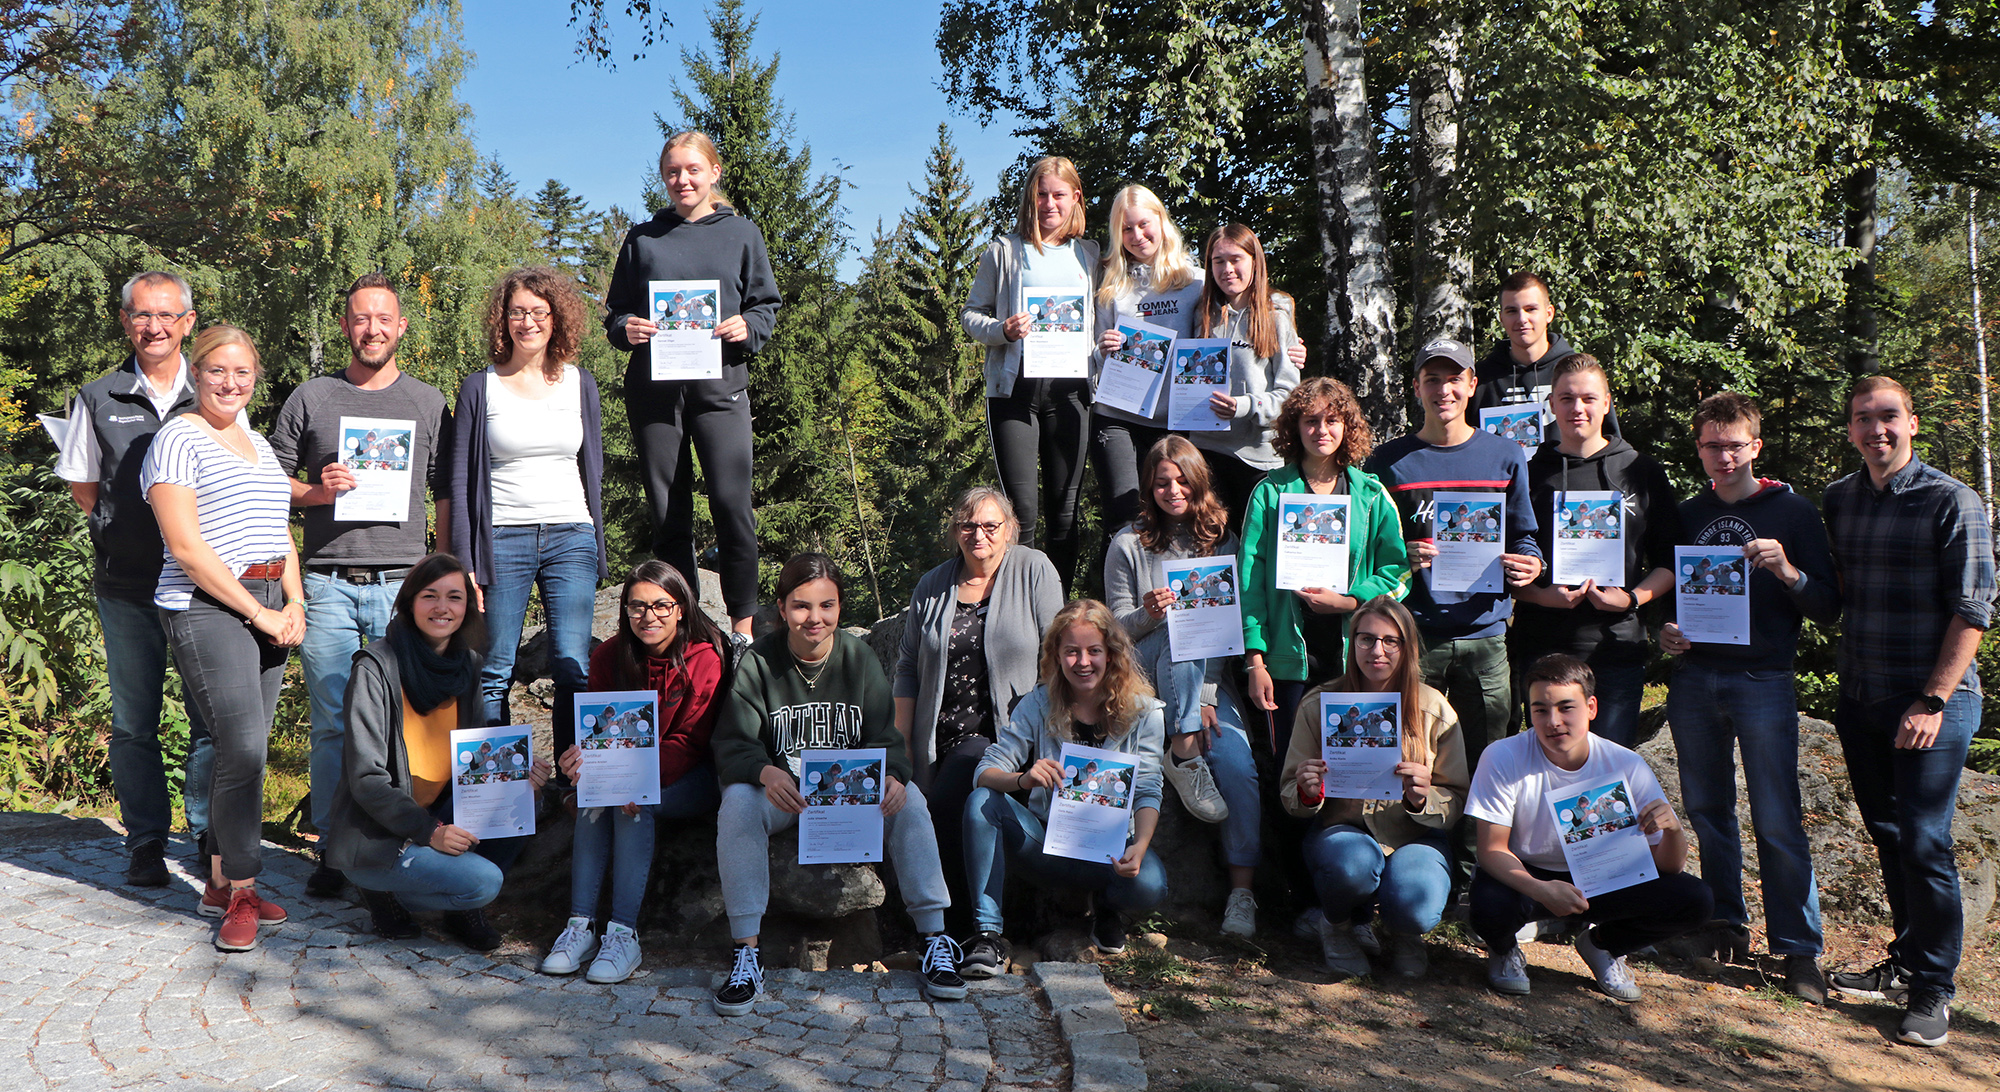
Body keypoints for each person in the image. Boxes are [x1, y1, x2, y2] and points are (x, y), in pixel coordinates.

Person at [709, 554, 966, 1015]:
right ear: (783, 609)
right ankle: (746, 953)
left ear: (840, 608)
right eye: (802, 606)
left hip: (849, 795)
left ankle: (934, 939)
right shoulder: (759, 663)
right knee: (738, 805)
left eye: (826, 606)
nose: (815, 618)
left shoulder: (858, 658)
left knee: (911, 803)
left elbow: (887, 739)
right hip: (786, 794)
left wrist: (892, 776)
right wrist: (765, 772)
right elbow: (733, 743)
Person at [1821, 375, 1996, 1047]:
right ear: (1850, 431)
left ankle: (1934, 990)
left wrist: (1933, 698)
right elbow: (1834, 595)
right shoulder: (1839, 499)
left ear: (1913, 423)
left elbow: (1973, 609)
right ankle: (1905, 961)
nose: (1877, 429)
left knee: (1925, 843)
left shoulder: (1953, 501)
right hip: (1862, 699)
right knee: (1891, 838)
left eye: (1888, 416)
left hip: (1931, 703)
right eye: (1863, 419)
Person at [268, 272, 452, 898]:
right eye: (360, 318)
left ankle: (392, 841)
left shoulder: (429, 403)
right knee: (331, 723)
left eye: (384, 319)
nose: (372, 329)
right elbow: (269, 481)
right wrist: (317, 492)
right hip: (326, 583)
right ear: (345, 326)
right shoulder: (311, 397)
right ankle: (332, 848)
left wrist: (446, 574)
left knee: (400, 723)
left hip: (404, 585)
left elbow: (445, 492)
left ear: (402, 327)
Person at [1656, 391, 1836, 1003]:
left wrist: (1786, 570)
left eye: (1735, 445)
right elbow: (1668, 596)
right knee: (1708, 809)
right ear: (1699, 448)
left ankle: (1799, 949)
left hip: (1764, 678)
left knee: (1779, 815)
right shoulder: (1685, 513)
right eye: (1712, 445)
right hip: (1696, 676)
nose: (1724, 456)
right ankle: (1725, 924)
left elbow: (1827, 605)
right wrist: (1668, 632)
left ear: (1755, 447)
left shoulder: (1793, 512)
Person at [141, 325, 304, 952]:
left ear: (255, 377)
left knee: (248, 750)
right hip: (207, 604)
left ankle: (216, 879)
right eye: (217, 371)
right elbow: (185, 547)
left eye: (243, 373)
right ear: (196, 375)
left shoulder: (258, 443)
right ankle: (240, 887)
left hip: (268, 600)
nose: (231, 383)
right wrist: (258, 615)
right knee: (242, 747)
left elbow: (279, 528)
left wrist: (292, 600)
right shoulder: (178, 438)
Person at [55, 270, 215, 887]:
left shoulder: (212, 391)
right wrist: (120, 528)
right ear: (125, 322)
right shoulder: (95, 397)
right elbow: (85, 490)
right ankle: (147, 840)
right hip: (127, 587)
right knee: (134, 723)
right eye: (143, 315)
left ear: (188, 323)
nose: (155, 327)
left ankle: (206, 834)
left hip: (202, 586)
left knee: (210, 720)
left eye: (168, 315)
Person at [323, 552, 554, 951]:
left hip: (439, 811)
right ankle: (385, 890)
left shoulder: (468, 665)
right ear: (410, 601)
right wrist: (430, 833)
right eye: (430, 596)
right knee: (485, 882)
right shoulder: (375, 667)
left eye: (455, 597)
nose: (442, 608)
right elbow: (367, 779)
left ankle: (457, 908)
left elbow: (474, 761)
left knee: (523, 800)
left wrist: (517, 775)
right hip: (380, 831)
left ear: (468, 607)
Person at [602, 131, 781, 641]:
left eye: (692, 170)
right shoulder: (642, 239)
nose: (683, 180)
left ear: (714, 173)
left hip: (721, 389)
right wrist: (627, 328)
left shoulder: (741, 233)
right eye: (673, 172)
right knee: (669, 513)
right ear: (664, 178)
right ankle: (689, 628)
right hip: (655, 395)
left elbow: (765, 304)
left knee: (731, 504)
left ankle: (742, 627)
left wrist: (749, 327)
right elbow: (615, 313)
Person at [1467, 654, 1712, 1001]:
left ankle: (1603, 945)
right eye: (1540, 710)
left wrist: (1673, 831)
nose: (1553, 722)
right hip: (1527, 872)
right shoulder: (1503, 756)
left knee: (1695, 899)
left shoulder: (1626, 764)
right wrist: (1540, 889)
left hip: (1603, 874)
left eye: (1567, 708)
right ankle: (1504, 949)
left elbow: (1668, 866)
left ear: (1592, 707)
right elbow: (1491, 849)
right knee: (1489, 907)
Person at [1364, 338, 1541, 812]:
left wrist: (1531, 563)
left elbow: (1524, 535)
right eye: (1433, 379)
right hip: (1414, 634)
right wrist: (1404, 553)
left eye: (1454, 378)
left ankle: (1479, 873)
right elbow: (1369, 549)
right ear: (1417, 387)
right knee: (1411, 761)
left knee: (1490, 766)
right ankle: (1418, 861)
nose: (1444, 389)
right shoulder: (1387, 462)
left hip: (1486, 636)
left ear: (1472, 385)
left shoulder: (1506, 456)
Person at [1104, 436, 1262, 935]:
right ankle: (1183, 747)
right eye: (1161, 482)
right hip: (1142, 677)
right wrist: (1148, 613)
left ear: (1199, 483)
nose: (1172, 490)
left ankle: (1242, 894)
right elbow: (1114, 634)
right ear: (1148, 488)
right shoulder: (1127, 543)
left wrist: (1206, 694)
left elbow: (1226, 631)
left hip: (1207, 682)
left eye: (1182, 481)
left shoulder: (1224, 542)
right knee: (1177, 628)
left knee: (1238, 768)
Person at [448, 267, 609, 759]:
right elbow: (459, 480)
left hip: (570, 535)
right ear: (503, 319)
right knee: (493, 671)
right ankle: (495, 791)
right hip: (503, 541)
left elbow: (592, 469)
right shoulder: (480, 387)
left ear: (556, 318)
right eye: (517, 311)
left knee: (572, 665)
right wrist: (464, 562)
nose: (528, 321)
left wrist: (597, 544)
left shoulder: (580, 384)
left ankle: (572, 782)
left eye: (539, 312)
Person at [541, 562, 727, 984]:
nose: (649, 616)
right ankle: (579, 927)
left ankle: (623, 933)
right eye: (637, 606)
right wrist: (581, 762)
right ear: (625, 610)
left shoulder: (705, 656)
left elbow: (692, 741)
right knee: (594, 795)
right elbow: (598, 734)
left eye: (662, 605)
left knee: (633, 804)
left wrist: (635, 779)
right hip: (632, 768)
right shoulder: (608, 656)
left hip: (692, 774)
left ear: (681, 608)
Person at [961, 600, 1168, 976]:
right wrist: (1023, 779)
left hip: (1111, 852)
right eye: (1071, 651)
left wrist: (1139, 846)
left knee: (1151, 885)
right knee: (981, 802)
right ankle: (988, 936)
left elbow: (1149, 788)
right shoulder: (1038, 703)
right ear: (1056, 655)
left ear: (1112, 654)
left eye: (1093, 651)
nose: (1083, 662)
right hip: (1046, 844)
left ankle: (1107, 908)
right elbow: (986, 771)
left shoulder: (1146, 712)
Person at [894, 486, 1064, 937]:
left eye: (990, 525)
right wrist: (900, 750)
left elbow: (1058, 650)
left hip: (1007, 737)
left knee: (946, 803)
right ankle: (946, 929)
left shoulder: (1033, 569)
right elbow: (908, 668)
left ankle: (957, 931)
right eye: (968, 525)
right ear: (955, 532)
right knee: (923, 805)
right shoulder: (933, 585)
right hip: (937, 739)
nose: (979, 534)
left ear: (1010, 530)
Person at [1282, 597, 1465, 979]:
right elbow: (1289, 796)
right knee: (1352, 865)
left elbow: (1456, 800)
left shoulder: (1435, 710)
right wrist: (1308, 789)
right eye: (1365, 639)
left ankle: (1405, 933)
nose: (1376, 651)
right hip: (1343, 833)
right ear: (1352, 644)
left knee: (1417, 900)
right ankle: (1336, 924)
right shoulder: (1320, 704)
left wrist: (1422, 798)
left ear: (1408, 647)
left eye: (1390, 640)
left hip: (1414, 838)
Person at [1514, 354, 1678, 747]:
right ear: (1551, 405)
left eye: (1588, 398)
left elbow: (1671, 561)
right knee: (1551, 770)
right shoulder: (1528, 472)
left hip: (1616, 649)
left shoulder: (1642, 470)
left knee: (1609, 776)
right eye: (1567, 398)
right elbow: (1503, 565)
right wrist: (1541, 596)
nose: (1578, 408)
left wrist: (1632, 599)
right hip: (1543, 647)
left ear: (1606, 403)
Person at [963, 155, 1100, 592]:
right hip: (1014, 393)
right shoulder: (1004, 251)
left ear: (1075, 197)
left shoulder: (1090, 254)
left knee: (1065, 509)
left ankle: (1056, 611)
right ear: (1030, 197)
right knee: (1020, 512)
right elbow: (970, 315)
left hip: (1071, 393)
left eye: (1058, 195)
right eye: (1040, 194)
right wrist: (1001, 329)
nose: (1048, 204)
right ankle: (1017, 605)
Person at [1187, 224, 1301, 525]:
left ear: (1255, 261)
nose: (1227, 269)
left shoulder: (1275, 316)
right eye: (1218, 261)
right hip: (1205, 453)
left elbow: (1290, 396)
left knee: (1253, 554)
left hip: (1259, 457)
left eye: (1236, 259)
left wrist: (1245, 406)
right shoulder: (1200, 316)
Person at [1469, 272, 1618, 440]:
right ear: (1501, 318)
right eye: (1512, 311)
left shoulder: (1580, 374)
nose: (1522, 318)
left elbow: (1609, 442)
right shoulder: (1480, 379)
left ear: (1549, 313)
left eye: (1530, 309)